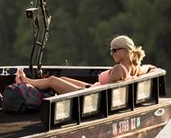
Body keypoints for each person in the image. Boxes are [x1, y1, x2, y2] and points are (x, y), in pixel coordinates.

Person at [16, 35, 156, 94]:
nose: (112, 54)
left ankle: (26, 81)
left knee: (52, 80)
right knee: (62, 79)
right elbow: (145, 68)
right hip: (91, 89)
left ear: (125, 51)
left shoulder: (119, 69)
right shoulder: (136, 68)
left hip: (87, 95)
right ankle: (27, 81)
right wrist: (150, 67)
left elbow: (113, 85)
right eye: (111, 50)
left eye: (114, 50)